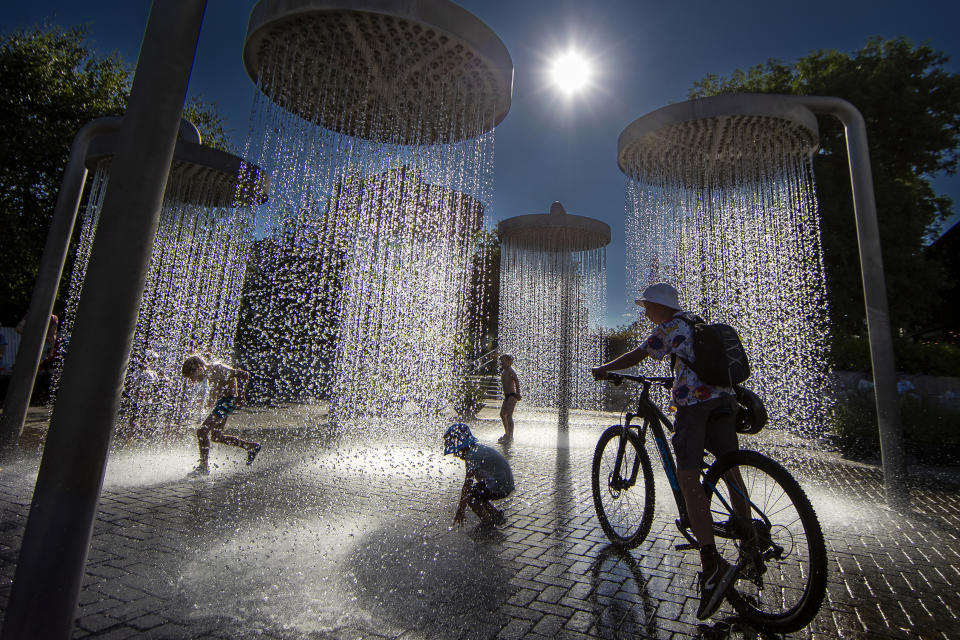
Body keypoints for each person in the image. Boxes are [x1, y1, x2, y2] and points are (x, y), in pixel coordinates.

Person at [591, 282, 740, 621]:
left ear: (660, 307)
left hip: (695, 405)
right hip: (725, 400)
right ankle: (748, 534)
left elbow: (638, 354)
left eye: (648, 307)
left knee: (688, 478)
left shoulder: (669, 326)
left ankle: (711, 564)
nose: (645, 312)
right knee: (731, 468)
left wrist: (606, 369)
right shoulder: (695, 321)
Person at [181, 354, 261, 476]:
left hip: (227, 402)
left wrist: (241, 395)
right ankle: (251, 447)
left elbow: (244, 374)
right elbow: (222, 384)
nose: (193, 381)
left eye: (192, 377)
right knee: (216, 437)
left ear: (198, 368)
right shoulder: (210, 374)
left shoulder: (217, 368)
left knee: (202, 431)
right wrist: (213, 399)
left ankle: (203, 467)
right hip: (223, 402)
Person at [443, 423, 514, 527]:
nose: (456, 455)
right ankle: (496, 516)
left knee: (471, 496)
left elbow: (467, 485)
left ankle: (487, 523)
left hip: (502, 486)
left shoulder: (471, 456)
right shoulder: (476, 449)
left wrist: (460, 510)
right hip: (505, 483)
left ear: (460, 446)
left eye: (456, 452)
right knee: (477, 491)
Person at [498, 354, 521, 443]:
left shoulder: (510, 371)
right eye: (501, 362)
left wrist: (518, 393)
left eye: (503, 362)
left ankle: (510, 436)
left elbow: (517, 381)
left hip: (512, 395)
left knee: (508, 415)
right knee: (502, 414)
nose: (502, 363)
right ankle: (507, 434)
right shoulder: (505, 371)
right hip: (507, 396)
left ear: (509, 362)